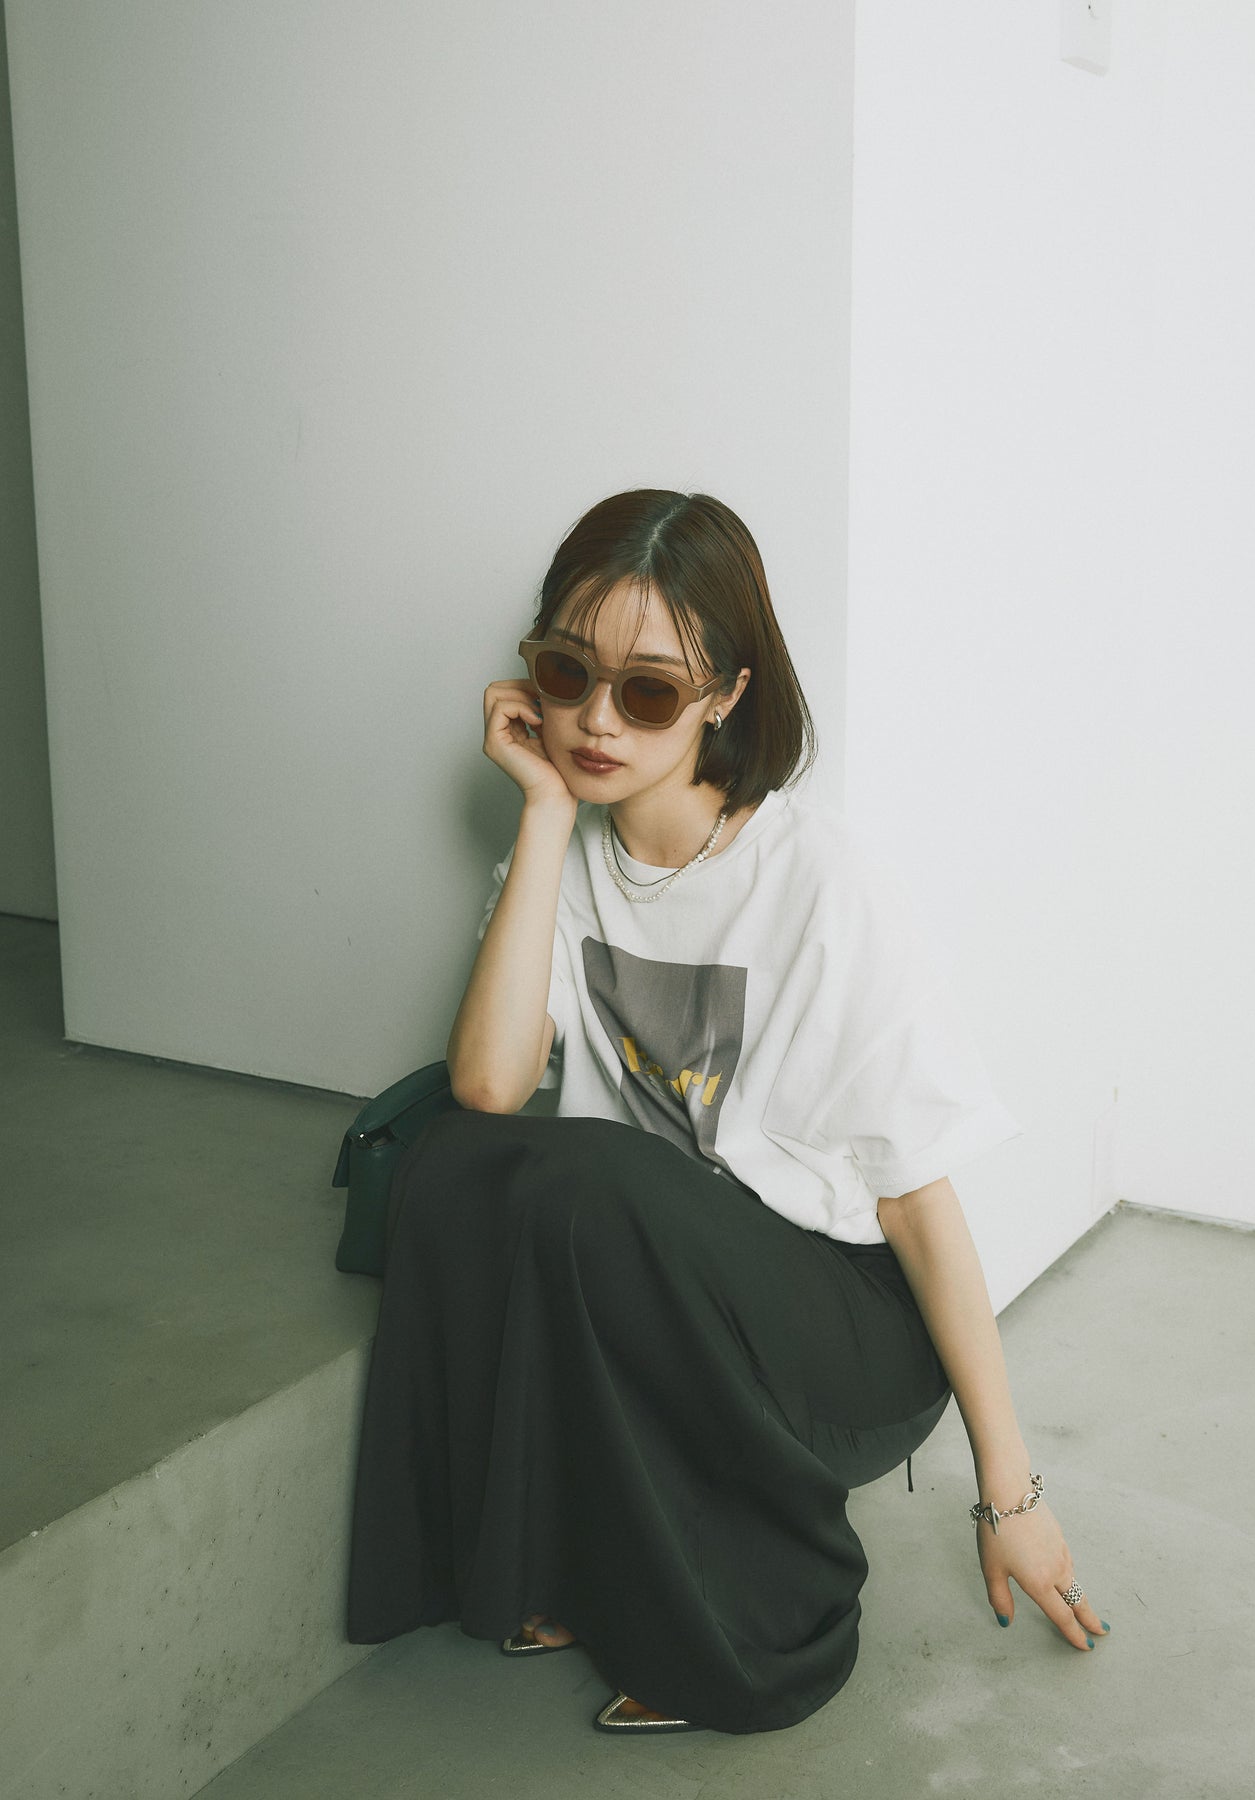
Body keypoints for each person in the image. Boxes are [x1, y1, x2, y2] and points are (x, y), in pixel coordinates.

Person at [345, 488, 1108, 1737]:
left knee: (593, 1179)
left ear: (726, 697)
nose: (597, 720)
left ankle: (772, 1622)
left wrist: (1008, 1489)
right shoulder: (567, 853)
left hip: (846, 1325)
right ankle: (565, 1565)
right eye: (566, 672)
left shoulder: (818, 880)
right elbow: (487, 1086)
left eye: (647, 691)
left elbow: (916, 1202)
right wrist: (544, 811)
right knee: (457, 1160)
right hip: (671, 1278)